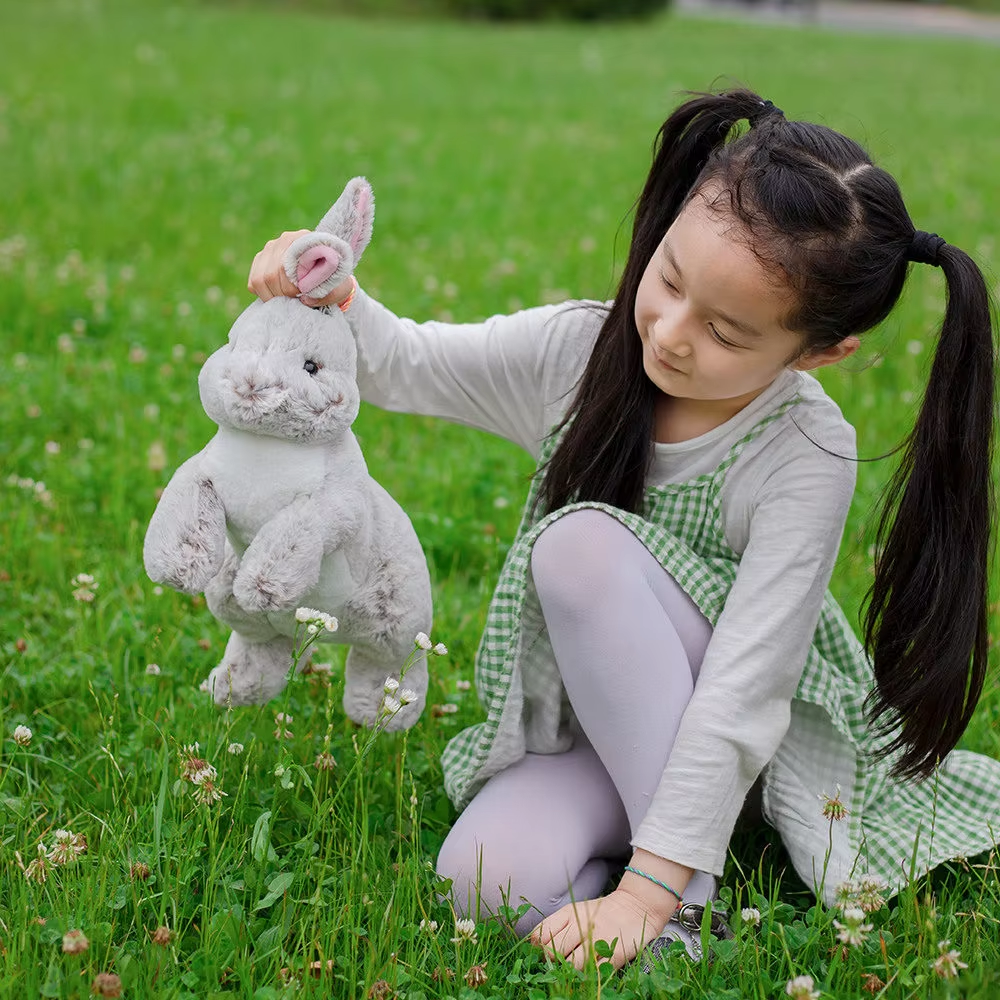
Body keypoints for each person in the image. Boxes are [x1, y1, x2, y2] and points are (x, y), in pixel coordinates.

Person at [248, 88, 1000, 972]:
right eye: (670, 279)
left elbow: (743, 686)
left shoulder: (804, 451)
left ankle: (686, 906)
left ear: (816, 352)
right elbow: (407, 363)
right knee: (481, 883)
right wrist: (330, 291)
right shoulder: (583, 351)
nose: (671, 335)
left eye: (724, 330)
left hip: (743, 757)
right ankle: (628, 885)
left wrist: (653, 888)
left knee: (581, 549)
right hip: (602, 737)